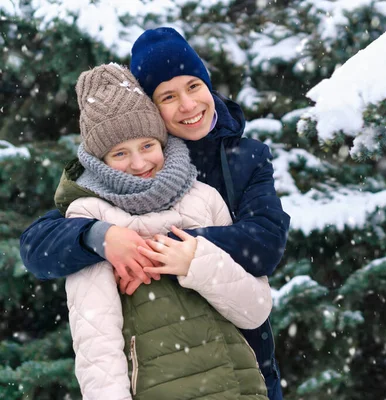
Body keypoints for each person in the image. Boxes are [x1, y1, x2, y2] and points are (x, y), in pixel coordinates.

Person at [20, 28, 290, 399]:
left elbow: (265, 244)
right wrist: (100, 237)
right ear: (152, 108)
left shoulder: (240, 162)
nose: (188, 105)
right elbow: (38, 247)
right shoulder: (102, 195)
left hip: (245, 370)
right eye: (168, 96)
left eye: (194, 86)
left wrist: (159, 250)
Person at [64, 63, 270, 399]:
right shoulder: (90, 216)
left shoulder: (204, 198)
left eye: (147, 145)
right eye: (119, 153)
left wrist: (195, 262)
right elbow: (95, 338)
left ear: (162, 140)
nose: (139, 163)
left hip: (240, 387)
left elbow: (255, 309)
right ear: (99, 161)